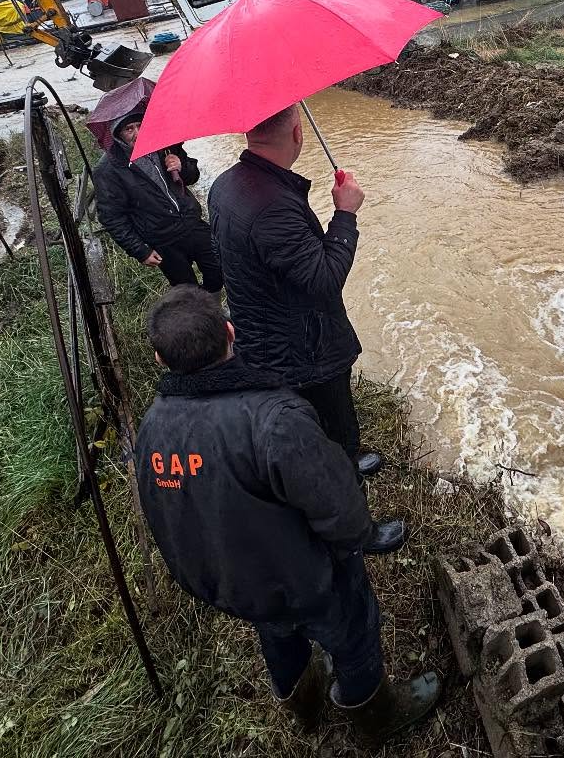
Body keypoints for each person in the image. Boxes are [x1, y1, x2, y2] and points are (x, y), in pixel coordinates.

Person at [135, 286, 436, 745]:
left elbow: (165, 512)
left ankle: (304, 708)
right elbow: (339, 506)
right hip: (306, 579)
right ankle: (375, 718)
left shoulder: (152, 426)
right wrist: (353, 544)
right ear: (231, 334)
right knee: (353, 636)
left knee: (276, 634)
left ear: (160, 360)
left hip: (236, 584)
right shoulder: (274, 419)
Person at [207, 104, 382, 478]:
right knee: (334, 427)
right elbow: (324, 281)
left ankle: (337, 462)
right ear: (298, 133)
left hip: (264, 333)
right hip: (302, 351)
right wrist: (346, 214)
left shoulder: (226, 184)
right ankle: (354, 520)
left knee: (306, 424)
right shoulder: (272, 205)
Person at [93, 110, 223, 290]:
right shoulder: (109, 170)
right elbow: (112, 217)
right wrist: (140, 250)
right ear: (118, 134)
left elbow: (193, 177)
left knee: (219, 270)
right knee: (187, 290)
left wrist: (181, 166)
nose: (137, 133)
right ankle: (201, 314)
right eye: (129, 129)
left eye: (140, 125)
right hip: (163, 239)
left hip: (192, 223)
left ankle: (212, 310)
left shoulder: (165, 145)